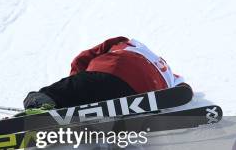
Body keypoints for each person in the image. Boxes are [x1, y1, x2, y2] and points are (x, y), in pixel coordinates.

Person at [23, 37, 187, 111]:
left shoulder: (124, 42)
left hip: (111, 72)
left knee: (58, 92)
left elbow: (81, 60)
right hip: (143, 92)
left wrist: (74, 85)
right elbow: (182, 91)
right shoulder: (168, 71)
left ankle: (40, 104)